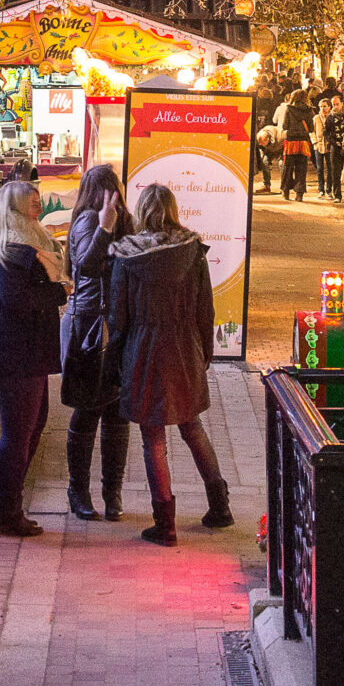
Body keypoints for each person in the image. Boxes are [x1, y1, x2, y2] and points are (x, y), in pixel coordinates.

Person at [109, 184, 233, 544]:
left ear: (141, 212)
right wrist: (203, 353)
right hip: (184, 347)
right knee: (191, 425)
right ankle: (219, 505)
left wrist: (116, 359)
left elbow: (119, 316)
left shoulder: (128, 256)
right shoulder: (192, 252)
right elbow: (204, 309)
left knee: (153, 437)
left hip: (144, 350)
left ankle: (165, 522)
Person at [0, 180, 67, 536]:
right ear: (13, 208)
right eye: (31, 200)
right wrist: (57, 292)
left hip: (27, 351)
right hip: (11, 353)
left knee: (34, 424)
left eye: (38, 199)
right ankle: (7, 510)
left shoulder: (30, 240)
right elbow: (18, 301)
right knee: (18, 431)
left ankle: (9, 503)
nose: (38, 203)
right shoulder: (4, 248)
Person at [59, 162, 132, 521]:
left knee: (117, 413)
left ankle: (112, 493)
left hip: (115, 324)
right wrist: (104, 227)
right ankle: (79, 490)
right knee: (88, 409)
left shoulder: (122, 220)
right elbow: (86, 266)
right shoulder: (89, 220)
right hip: (89, 324)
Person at [280, 86, 314, 201]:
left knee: (288, 167)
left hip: (291, 141)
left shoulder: (288, 109)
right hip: (303, 142)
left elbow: (285, 126)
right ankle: (299, 193)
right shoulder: (309, 110)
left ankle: (285, 191)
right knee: (301, 168)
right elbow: (311, 128)